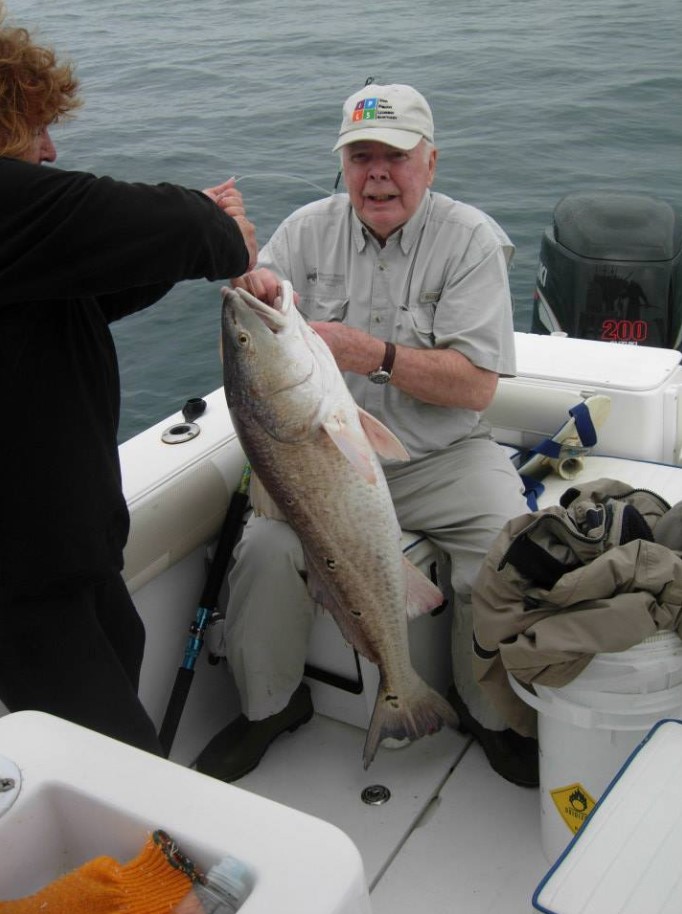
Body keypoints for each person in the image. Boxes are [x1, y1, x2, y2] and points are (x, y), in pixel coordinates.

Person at [196, 83, 537, 786]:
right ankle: (272, 706)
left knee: (506, 545)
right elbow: (254, 336)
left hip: (442, 455)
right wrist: (243, 270)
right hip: (319, 458)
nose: (377, 172)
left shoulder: (470, 240)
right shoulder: (304, 232)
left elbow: (476, 386)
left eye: (395, 155)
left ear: (431, 163)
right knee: (261, 550)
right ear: (343, 165)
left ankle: (488, 711)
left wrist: (374, 354)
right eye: (360, 157)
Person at [0, 5, 257, 755]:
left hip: (72, 556)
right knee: (122, 773)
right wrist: (214, 234)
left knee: (124, 648)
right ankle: (134, 869)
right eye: (34, 127)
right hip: (23, 589)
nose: (49, 150)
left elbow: (86, 291)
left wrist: (197, 234)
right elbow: (160, 226)